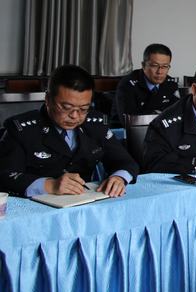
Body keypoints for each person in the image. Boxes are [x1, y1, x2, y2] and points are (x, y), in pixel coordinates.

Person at [0, 65, 139, 197]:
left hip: (84, 202)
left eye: (83, 109)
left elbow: (126, 162)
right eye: (66, 108)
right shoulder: (22, 130)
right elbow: (5, 176)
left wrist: (119, 178)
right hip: (36, 206)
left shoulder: (96, 125)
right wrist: (50, 185)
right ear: (48, 99)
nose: (75, 116)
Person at [114, 43, 179, 124]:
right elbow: (130, 120)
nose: (160, 72)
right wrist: (159, 114)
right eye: (154, 66)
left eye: (165, 66)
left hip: (161, 128)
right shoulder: (128, 84)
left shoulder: (171, 84)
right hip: (125, 129)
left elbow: (177, 115)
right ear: (143, 65)